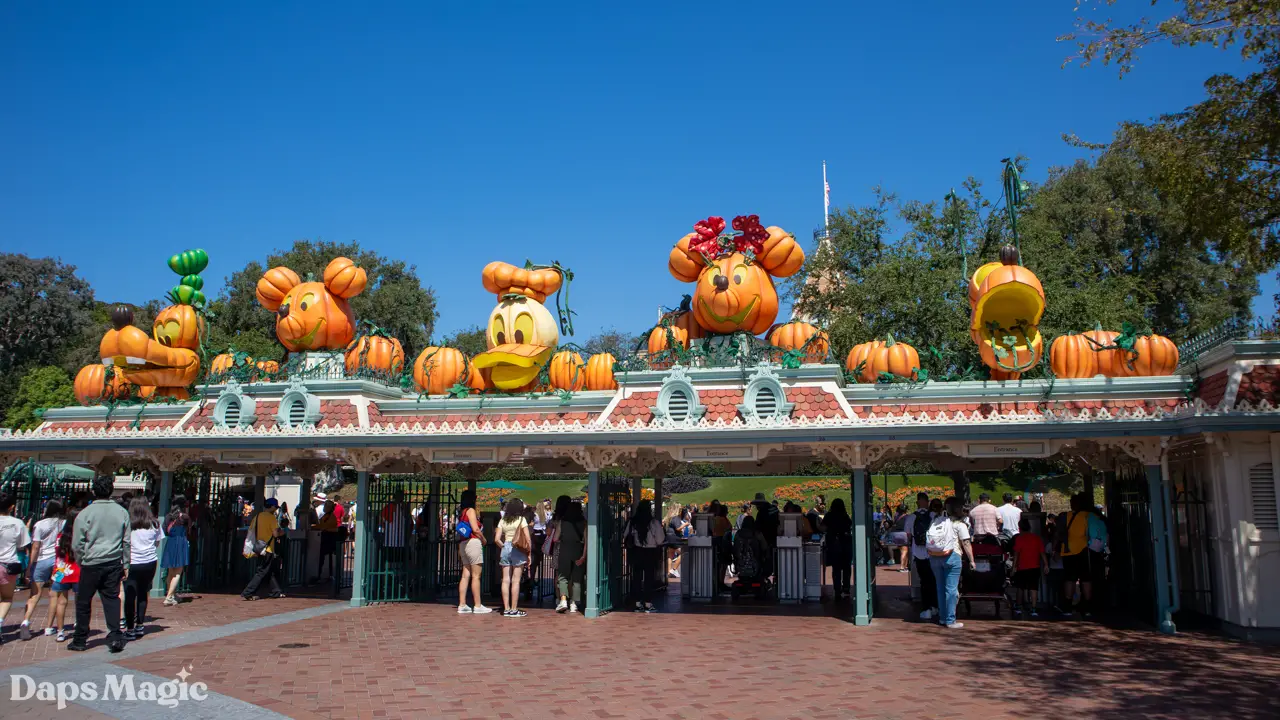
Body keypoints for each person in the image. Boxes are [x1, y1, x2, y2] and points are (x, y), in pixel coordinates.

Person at [69, 475, 130, 652]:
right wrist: (126, 563)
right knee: (111, 599)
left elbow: (77, 543)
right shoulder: (121, 512)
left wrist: (81, 560)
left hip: (91, 562)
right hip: (113, 561)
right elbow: (126, 541)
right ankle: (115, 636)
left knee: (83, 601)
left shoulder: (85, 513)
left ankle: (80, 639)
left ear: (94, 491)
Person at [925, 497, 975, 629]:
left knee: (940, 588)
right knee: (951, 590)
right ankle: (950, 619)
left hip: (935, 557)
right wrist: (972, 560)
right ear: (958, 509)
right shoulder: (959, 525)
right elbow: (966, 543)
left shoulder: (936, 521)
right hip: (952, 556)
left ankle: (942, 617)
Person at [19, 500, 64, 640]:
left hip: (41, 561)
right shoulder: (63, 523)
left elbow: (36, 547)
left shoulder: (39, 525)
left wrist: (29, 566)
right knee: (55, 593)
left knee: (34, 594)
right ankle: (50, 626)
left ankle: (26, 620)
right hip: (58, 562)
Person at [1059, 492, 1108, 618]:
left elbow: (1058, 534)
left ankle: (1068, 607)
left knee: (1070, 579)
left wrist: (1055, 550)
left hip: (1068, 551)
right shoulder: (1090, 516)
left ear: (1072, 504)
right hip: (1085, 551)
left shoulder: (1064, 516)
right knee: (1086, 579)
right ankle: (1087, 607)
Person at [123, 497, 163, 639]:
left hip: (132, 563)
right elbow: (157, 543)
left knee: (129, 595)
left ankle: (130, 628)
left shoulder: (128, 524)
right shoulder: (154, 524)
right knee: (142, 593)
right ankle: (140, 625)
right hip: (149, 562)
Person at [0, 492, 33, 646]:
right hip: (7, 564)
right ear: (12, 507)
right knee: (6, 598)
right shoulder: (17, 523)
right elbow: (22, 545)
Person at [241, 498, 287, 601]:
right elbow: (275, 534)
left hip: (259, 547)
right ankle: (248, 592)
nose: (275, 509)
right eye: (275, 507)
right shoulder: (271, 518)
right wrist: (282, 533)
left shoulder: (257, 516)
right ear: (271, 506)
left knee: (270, 571)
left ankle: (276, 591)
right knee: (262, 571)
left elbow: (252, 531)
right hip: (268, 548)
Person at [902, 493, 939, 620]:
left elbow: (908, 536)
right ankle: (935, 606)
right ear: (927, 502)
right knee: (934, 580)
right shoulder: (934, 516)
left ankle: (926, 608)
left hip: (918, 554)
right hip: (933, 553)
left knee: (924, 582)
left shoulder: (911, 517)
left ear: (917, 502)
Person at [624, 499, 664, 612]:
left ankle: (637, 603)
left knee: (636, 578)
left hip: (637, 552)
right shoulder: (654, 523)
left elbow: (625, 535)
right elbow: (660, 540)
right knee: (649, 579)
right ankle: (648, 603)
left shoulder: (633, 522)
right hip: (650, 552)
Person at [456, 489, 491, 614]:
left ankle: (462, 603)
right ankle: (477, 604)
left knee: (465, 575)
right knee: (476, 576)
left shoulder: (462, 512)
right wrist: (483, 538)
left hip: (463, 544)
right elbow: (475, 529)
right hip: (473, 542)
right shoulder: (471, 511)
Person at [48, 509, 80, 643]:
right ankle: (79, 625)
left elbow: (57, 554)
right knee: (80, 602)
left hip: (61, 570)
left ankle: (60, 631)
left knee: (61, 602)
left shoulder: (60, 536)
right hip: (78, 570)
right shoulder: (81, 535)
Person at [495, 498, 530, 617]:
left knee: (505, 579)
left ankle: (506, 608)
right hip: (517, 549)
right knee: (516, 580)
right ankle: (514, 609)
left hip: (506, 547)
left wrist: (504, 546)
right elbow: (527, 538)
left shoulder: (503, 520)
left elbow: (497, 539)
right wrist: (528, 552)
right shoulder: (521, 520)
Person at [1010, 516, 1047, 618]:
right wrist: (1046, 564)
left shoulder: (1019, 539)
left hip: (1022, 567)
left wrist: (1014, 567)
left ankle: (1018, 606)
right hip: (1035, 566)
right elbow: (1042, 552)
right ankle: (1034, 608)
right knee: (1033, 588)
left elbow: (1016, 554)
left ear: (1020, 528)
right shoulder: (1036, 538)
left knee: (1020, 587)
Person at [556, 502, 587, 614]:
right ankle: (574, 603)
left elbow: (555, 538)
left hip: (564, 550)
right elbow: (586, 541)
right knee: (577, 579)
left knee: (563, 576)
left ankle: (563, 600)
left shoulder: (562, 522)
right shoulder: (584, 522)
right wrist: (583, 556)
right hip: (578, 549)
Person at [161, 497, 191, 606]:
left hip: (171, 542)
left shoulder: (168, 516)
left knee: (170, 571)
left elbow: (164, 531)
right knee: (178, 572)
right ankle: (169, 597)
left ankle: (171, 594)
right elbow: (189, 530)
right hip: (181, 542)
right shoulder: (185, 517)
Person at [821, 498, 852, 600]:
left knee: (836, 569)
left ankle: (837, 589)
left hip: (834, 544)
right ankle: (846, 587)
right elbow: (849, 525)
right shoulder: (845, 516)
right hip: (845, 543)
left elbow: (823, 528)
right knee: (846, 568)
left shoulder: (829, 516)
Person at [733, 515, 770, 584]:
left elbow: (735, 548)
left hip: (740, 563)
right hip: (755, 563)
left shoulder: (738, 534)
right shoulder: (757, 534)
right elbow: (764, 547)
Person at [312, 499, 340, 583]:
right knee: (321, 558)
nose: (324, 507)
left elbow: (323, 527)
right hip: (324, 539)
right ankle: (321, 574)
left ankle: (321, 575)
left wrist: (316, 527)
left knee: (322, 557)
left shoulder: (331, 517)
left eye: (326, 506)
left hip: (328, 540)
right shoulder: (326, 516)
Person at [711, 503, 733, 592]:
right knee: (723, 565)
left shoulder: (715, 519)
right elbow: (729, 528)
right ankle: (721, 582)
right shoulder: (724, 520)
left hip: (715, 541)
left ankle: (716, 582)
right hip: (722, 543)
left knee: (717, 564)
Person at [665, 509, 688, 578]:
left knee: (670, 555)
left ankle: (669, 572)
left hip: (669, 538)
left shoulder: (671, 518)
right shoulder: (676, 518)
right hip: (674, 538)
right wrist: (685, 524)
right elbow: (678, 528)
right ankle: (674, 569)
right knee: (684, 553)